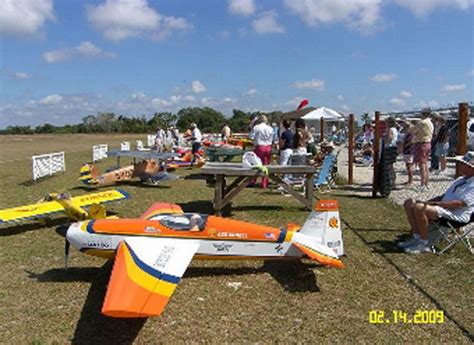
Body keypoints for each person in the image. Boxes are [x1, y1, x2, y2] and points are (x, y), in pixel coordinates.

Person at [398, 151, 474, 254]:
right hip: (444, 209)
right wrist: (427, 202)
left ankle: (424, 244)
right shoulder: (460, 179)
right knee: (410, 203)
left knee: (420, 208)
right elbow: (443, 196)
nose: (459, 165)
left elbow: (459, 204)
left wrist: (433, 205)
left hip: (456, 215)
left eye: (463, 164)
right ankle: (416, 238)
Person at [413, 109, 434, 190]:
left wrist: (409, 126)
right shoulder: (430, 122)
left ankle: (422, 184)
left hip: (421, 144)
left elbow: (413, 131)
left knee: (422, 165)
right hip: (427, 143)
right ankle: (426, 182)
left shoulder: (422, 122)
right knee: (425, 164)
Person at [251, 114, 274, 188]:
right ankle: (264, 183)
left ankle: (252, 180)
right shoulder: (270, 128)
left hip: (259, 147)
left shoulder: (257, 127)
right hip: (268, 147)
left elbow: (251, 136)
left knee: (256, 164)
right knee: (265, 165)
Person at [401, 121, 415, 186]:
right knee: (408, 166)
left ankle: (410, 181)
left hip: (409, 151)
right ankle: (410, 180)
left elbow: (410, 142)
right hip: (408, 151)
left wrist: (404, 145)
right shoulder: (409, 133)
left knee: (409, 166)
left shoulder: (410, 134)